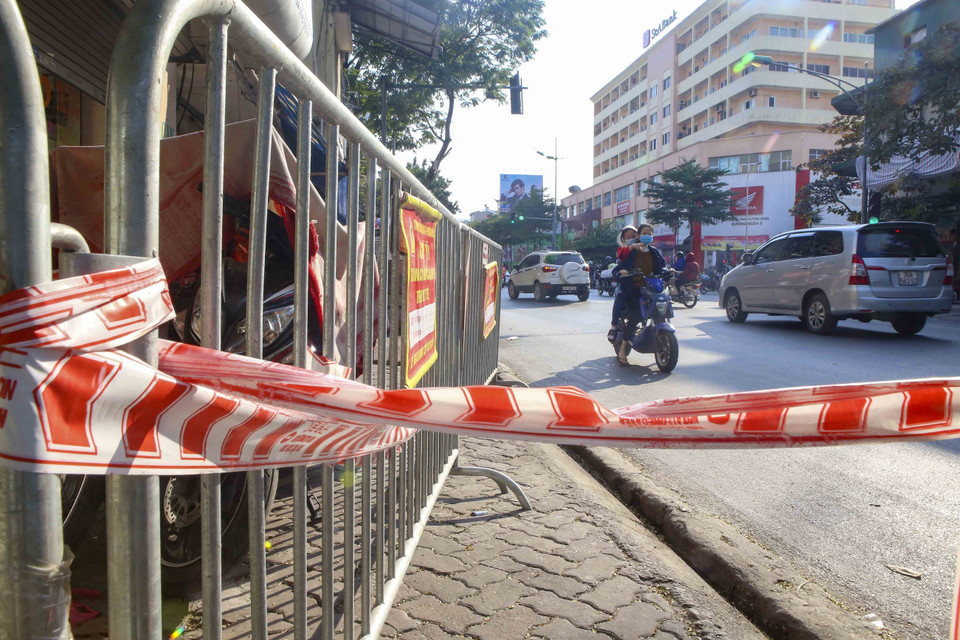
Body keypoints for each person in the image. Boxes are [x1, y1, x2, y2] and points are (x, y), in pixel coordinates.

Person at [607, 225, 665, 362]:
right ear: (639, 236)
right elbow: (618, 269)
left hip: (652, 290)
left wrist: (670, 271)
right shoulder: (631, 252)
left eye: (650, 233)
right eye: (644, 233)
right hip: (635, 291)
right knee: (635, 317)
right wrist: (623, 272)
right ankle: (622, 350)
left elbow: (661, 267)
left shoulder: (654, 252)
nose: (647, 235)